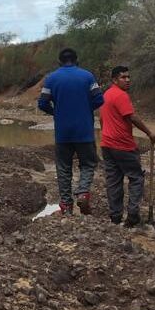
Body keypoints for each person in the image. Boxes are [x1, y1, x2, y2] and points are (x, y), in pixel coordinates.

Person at [37, 47, 104, 215]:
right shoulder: (87, 76)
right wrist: (87, 109)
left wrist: (56, 112)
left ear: (59, 62)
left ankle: (66, 205)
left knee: (63, 167)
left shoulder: (51, 78)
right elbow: (99, 99)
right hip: (84, 131)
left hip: (63, 133)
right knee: (88, 163)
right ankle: (82, 192)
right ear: (76, 60)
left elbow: (42, 103)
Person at [100, 66, 155, 227]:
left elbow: (103, 120)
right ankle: (132, 215)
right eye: (123, 77)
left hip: (107, 144)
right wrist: (149, 133)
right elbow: (132, 117)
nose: (127, 80)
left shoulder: (106, 95)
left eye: (128, 77)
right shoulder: (121, 95)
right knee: (136, 177)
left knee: (114, 181)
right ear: (114, 80)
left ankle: (115, 216)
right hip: (122, 145)